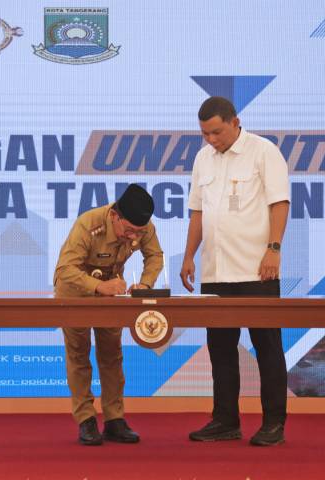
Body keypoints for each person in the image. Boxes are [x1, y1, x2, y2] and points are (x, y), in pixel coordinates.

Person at [180, 96, 290, 446]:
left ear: (234, 122)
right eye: (205, 134)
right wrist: (188, 256)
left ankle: (274, 423)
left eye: (217, 132)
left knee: (267, 348)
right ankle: (225, 420)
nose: (211, 140)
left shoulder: (263, 151)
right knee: (220, 350)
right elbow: (198, 212)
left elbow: (279, 203)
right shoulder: (202, 159)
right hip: (216, 272)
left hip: (257, 270)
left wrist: (273, 249)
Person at [54, 183, 164, 445]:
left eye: (139, 232)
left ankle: (114, 419)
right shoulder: (89, 223)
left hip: (112, 292)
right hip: (75, 291)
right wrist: (98, 286)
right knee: (79, 355)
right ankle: (86, 419)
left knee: (112, 355)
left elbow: (155, 257)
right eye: (129, 231)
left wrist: (145, 285)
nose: (133, 237)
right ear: (115, 216)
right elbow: (65, 269)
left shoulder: (143, 227)